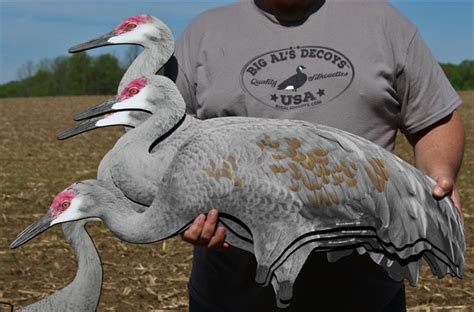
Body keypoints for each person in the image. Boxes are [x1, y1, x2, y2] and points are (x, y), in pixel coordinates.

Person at [167, 0, 465, 310]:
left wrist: (437, 175)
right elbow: (166, 140)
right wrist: (183, 208)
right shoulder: (202, 34)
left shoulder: (383, 22)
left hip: (363, 295)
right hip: (231, 294)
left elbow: (435, 119)